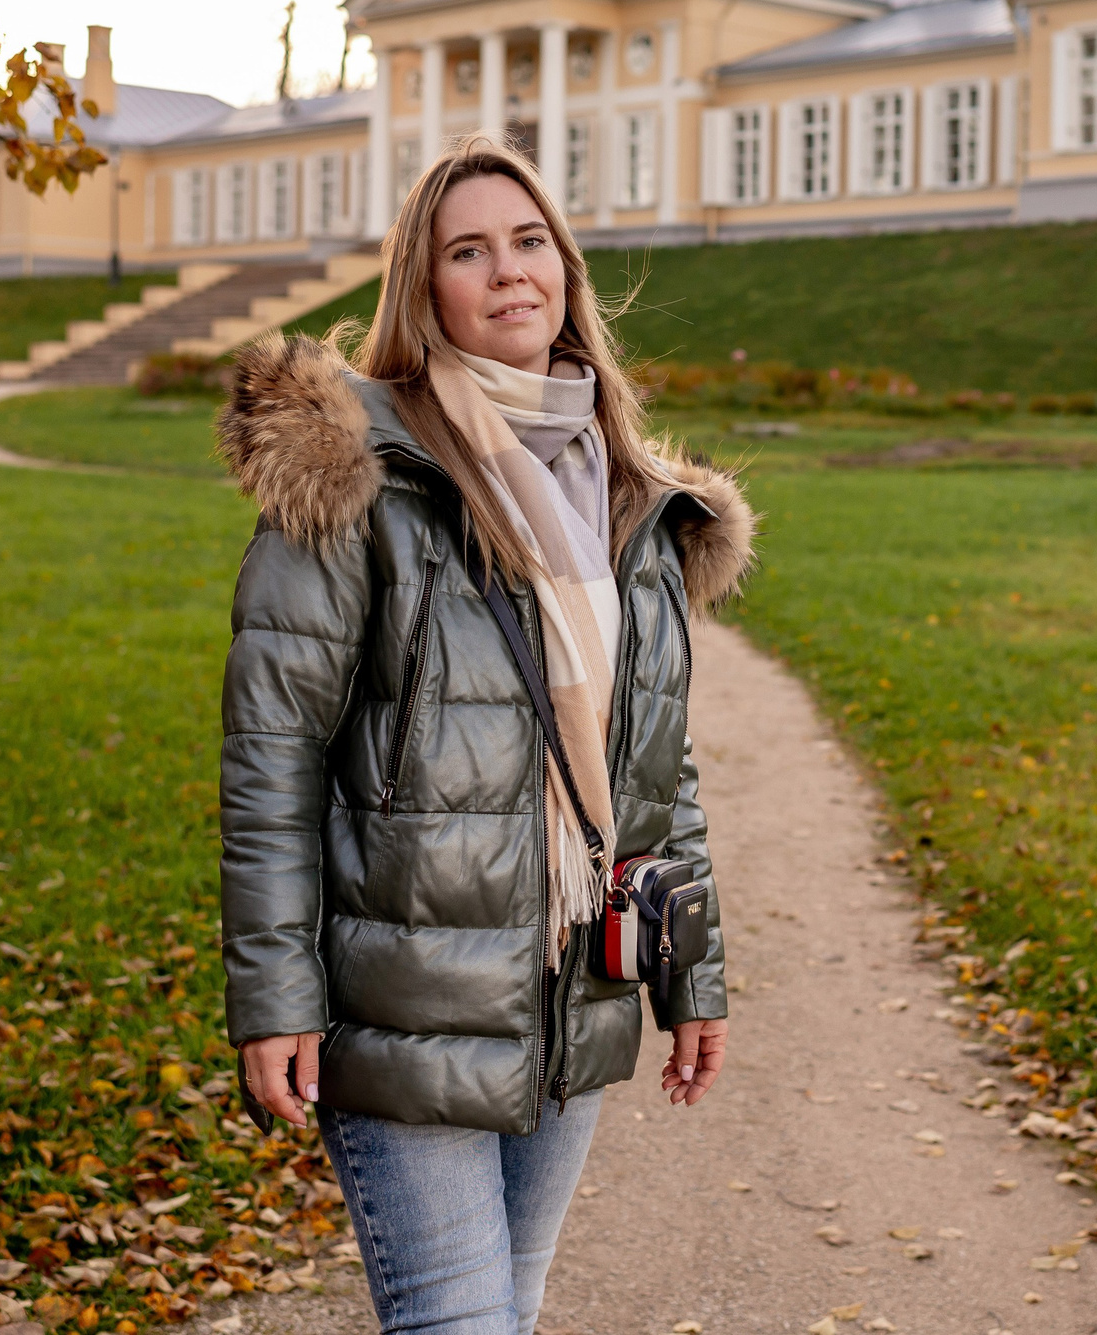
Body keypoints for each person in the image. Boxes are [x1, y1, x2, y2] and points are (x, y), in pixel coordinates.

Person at [214, 133, 751, 1335]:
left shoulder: (631, 493)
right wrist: (274, 993)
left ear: (563, 266)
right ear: (426, 287)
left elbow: (657, 763)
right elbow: (271, 756)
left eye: (529, 241)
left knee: (508, 1308)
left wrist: (693, 968)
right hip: (405, 980)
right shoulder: (361, 477)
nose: (510, 271)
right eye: (469, 249)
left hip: (578, 973)